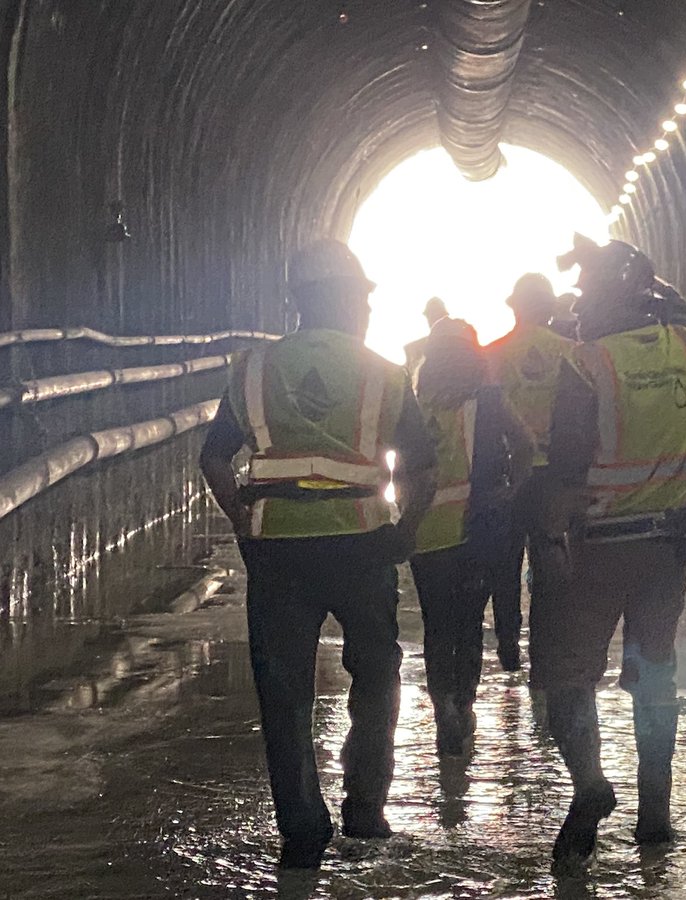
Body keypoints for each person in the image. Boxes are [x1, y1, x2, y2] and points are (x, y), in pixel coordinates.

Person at [199, 239, 437, 868]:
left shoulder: (253, 370)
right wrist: (405, 532)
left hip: (277, 551)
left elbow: (214, 456)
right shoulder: (384, 372)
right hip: (362, 545)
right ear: (349, 300)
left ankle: (302, 830)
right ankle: (365, 811)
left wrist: (245, 520)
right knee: (378, 676)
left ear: (299, 301)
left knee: (283, 693)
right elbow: (422, 465)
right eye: (361, 298)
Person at [530, 236, 686, 869]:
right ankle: (654, 816)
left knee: (568, 677)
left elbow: (566, 467)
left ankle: (590, 785)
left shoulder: (587, 365)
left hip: (599, 548)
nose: (578, 307)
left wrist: (551, 542)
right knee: (655, 672)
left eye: (586, 293)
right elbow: (680, 306)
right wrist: (632, 264)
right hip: (667, 545)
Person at [409, 317, 535, 755]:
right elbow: (526, 447)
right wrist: (510, 490)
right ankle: (463, 704)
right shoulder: (490, 402)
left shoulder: (416, 403)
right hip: (479, 530)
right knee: (468, 624)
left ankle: (442, 701)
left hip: (427, 533)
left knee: (437, 626)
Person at [483, 274, 577, 671]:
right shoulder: (571, 352)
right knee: (548, 563)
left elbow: (482, 423)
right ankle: (543, 649)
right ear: (549, 307)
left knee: (504, 564)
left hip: (508, 475)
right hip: (552, 476)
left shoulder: (493, 354)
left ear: (514, 307)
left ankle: (508, 647)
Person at [403, 296, 451, 370]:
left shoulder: (456, 343)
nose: (432, 319)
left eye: (436, 315)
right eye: (430, 315)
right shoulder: (413, 349)